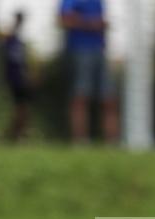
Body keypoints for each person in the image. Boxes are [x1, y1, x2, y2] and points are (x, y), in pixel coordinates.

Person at [58, 0, 118, 143]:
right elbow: (65, 20)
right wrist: (92, 24)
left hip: (100, 52)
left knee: (109, 99)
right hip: (79, 52)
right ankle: (80, 141)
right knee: (80, 97)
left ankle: (112, 142)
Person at [2, 11, 31, 142]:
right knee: (20, 108)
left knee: (22, 108)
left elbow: (23, 62)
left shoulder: (19, 40)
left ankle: (17, 135)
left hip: (21, 78)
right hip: (14, 79)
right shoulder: (10, 38)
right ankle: (13, 135)